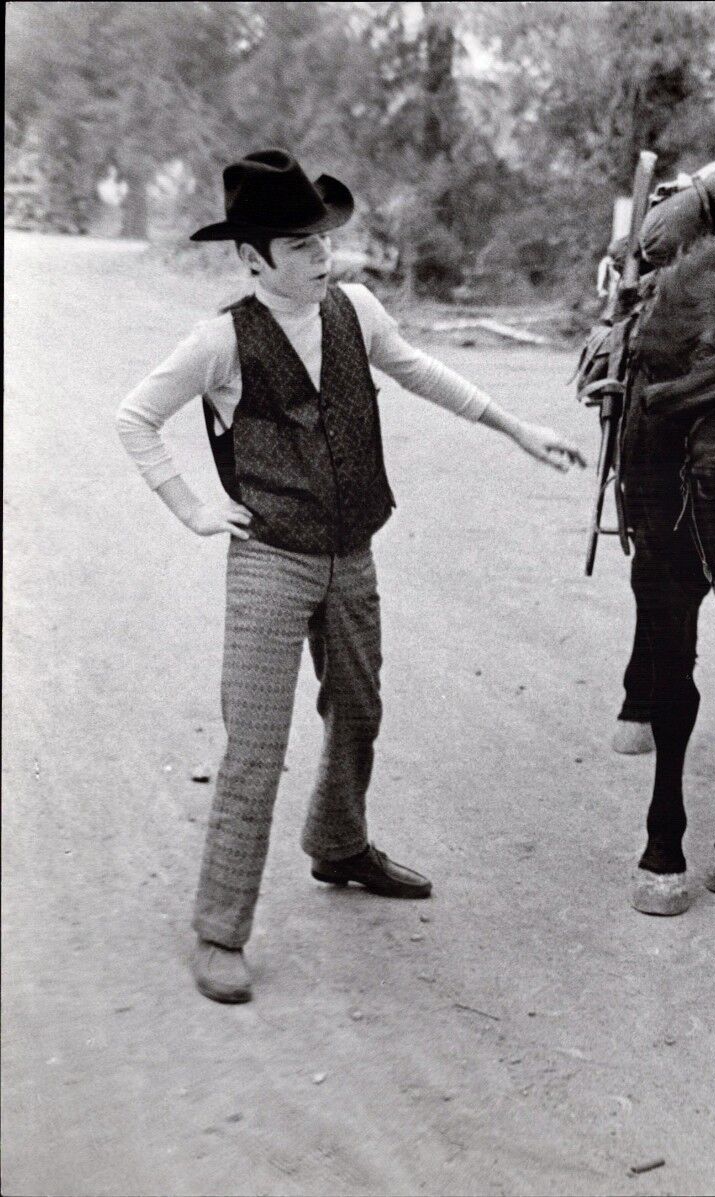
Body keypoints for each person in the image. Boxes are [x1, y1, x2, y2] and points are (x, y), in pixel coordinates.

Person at [116, 150, 585, 1004]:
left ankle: (339, 842)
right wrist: (190, 508)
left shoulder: (357, 310)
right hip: (269, 559)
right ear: (253, 257)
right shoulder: (219, 338)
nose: (322, 256)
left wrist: (516, 427)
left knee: (360, 708)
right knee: (256, 743)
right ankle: (221, 929)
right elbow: (136, 418)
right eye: (299, 247)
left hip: (352, 551)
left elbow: (423, 374)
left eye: (323, 239)